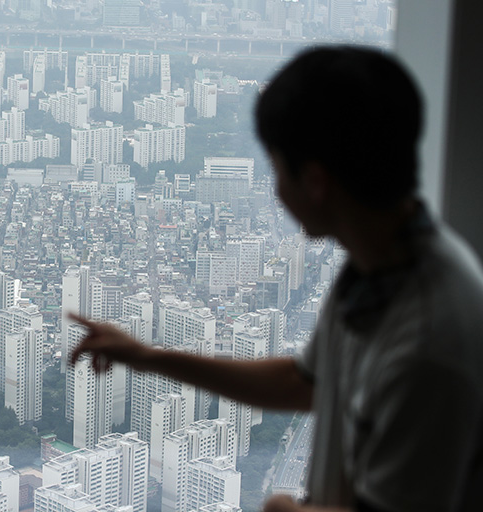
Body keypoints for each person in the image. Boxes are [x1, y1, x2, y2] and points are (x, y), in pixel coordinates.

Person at [69, 46, 483, 512]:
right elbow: (302, 384)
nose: (275, 190)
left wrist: (285, 510)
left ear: (316, 181)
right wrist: (147, 357)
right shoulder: (376, 266)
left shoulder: (429, 340)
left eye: (277, 169)